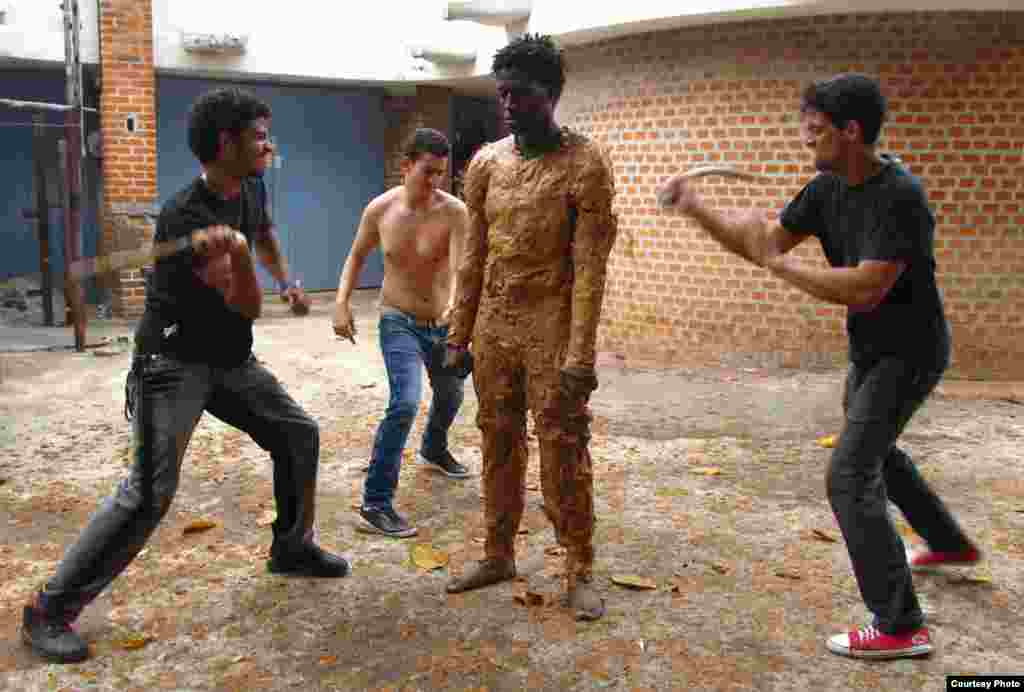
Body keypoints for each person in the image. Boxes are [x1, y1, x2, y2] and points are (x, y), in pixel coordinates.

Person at [22, 87, 349, 665]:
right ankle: (49, 609)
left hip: (228, 359)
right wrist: (241, 259)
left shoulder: (249, 184)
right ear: (226, 143)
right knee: (149, 493)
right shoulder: (184, 216)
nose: (267, 145)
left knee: (298, 434)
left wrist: (286, 278)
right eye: (257, 136)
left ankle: (292, 548)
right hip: (172, 364)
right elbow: (245, 305)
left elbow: (265, 230)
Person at [659, 73, 980, 659]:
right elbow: (767, 245)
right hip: (870, 349)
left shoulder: (900, 198)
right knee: (875, 451)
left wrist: (778, 268)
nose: (807, 143)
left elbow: (864, 288)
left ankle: (899, 625)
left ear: (851, 131)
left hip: (912, 351)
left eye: (816, 133)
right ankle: (948, 543)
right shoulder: (825, 189)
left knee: (849, 474)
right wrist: (697, 209)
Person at [442, 34, 618, 621]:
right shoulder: (487, 163)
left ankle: (579, 563)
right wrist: (457, 334)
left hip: (552, 322)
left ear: (552, 94)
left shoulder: (584, 164)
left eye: (523, 94)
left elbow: (591, 268)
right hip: (494, 323)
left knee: (563, 446)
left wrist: (580, 356)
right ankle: (498, 551)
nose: (511, 105)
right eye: (504, 94)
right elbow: (474, 255)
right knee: (496, 437)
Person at [333, 128, 471, 539]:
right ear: (406, 166)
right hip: (398, 320)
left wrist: (457, 310)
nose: (435, 182)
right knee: (405, 401)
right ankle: (376, 504)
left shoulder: (454, 212)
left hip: (442, 322)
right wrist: (341, 303)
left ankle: (434, 447)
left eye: (441, 174)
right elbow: (356, 256)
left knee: (452, 395)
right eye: (427, 172)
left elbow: (462, 268)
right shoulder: (380, 210)